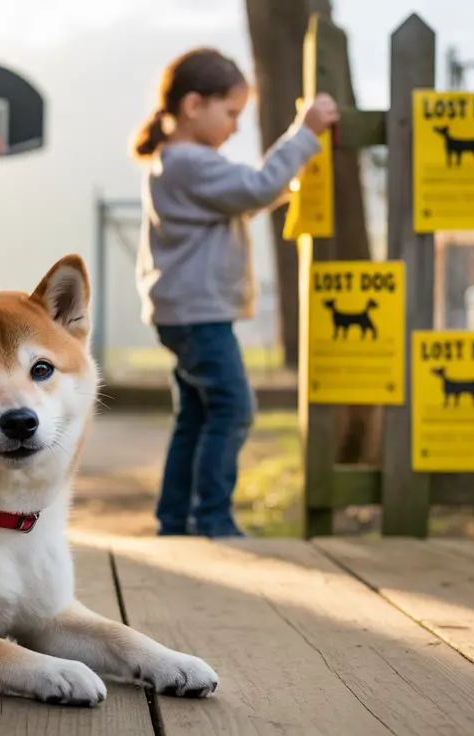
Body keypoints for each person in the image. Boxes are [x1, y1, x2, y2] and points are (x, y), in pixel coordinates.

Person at [131, 47, 339, 537]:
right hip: (197, 315)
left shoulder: (179, 164)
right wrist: (304, 134)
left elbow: (248, 196)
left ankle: (176, 519)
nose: (236, 126)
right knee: (234, 407)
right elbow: (256, 188)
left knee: (197, 414)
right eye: (232, 113)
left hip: (182, 312)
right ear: (193, 106)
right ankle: (213, 519)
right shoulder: (188, 162)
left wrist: (283, 183)